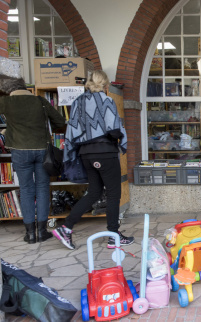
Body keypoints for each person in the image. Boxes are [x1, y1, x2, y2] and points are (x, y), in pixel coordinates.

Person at [53, 70, 133, 250]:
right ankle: (114, 236)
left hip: (86, 154)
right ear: (105, 85)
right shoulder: (107, 101)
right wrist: (119, 138)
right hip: (105, 153)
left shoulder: (77, 102)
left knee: (94, 192)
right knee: (114, 194)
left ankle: (66, 227)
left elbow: (72, 130)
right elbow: (114, 129)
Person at [0, 76, 65, 244]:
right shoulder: (40, 101)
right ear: (25, 87)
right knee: (42, 188)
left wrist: (7, 131)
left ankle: (30, 234)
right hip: (42, 150)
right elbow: (60, 121)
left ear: (8, 90)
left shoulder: (5, 102)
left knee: (26, 189)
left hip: (20, 151)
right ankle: (42, 231)